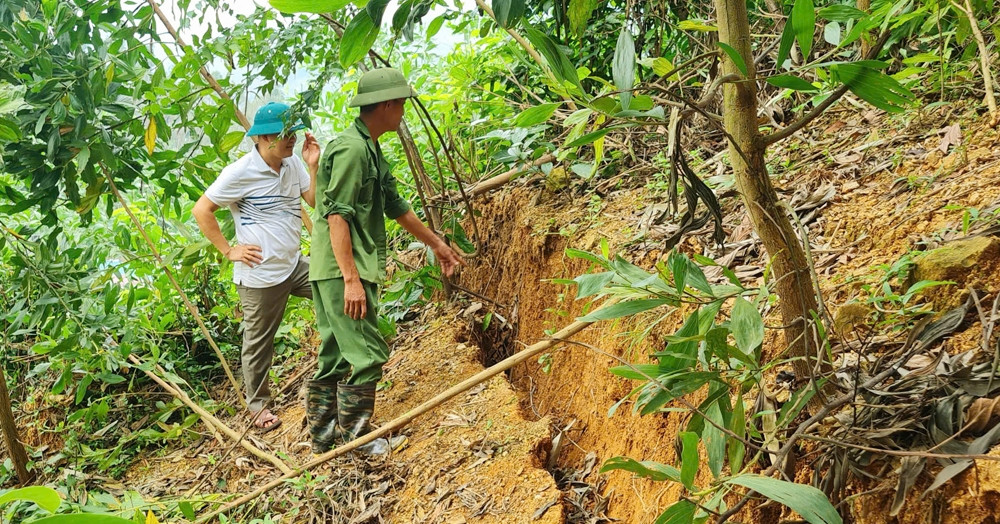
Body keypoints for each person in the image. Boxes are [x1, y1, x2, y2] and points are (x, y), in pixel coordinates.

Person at [308, 68, 465, 455]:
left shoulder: (369, 148)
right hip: (343, 268)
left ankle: (325, 439)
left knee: (334, 353)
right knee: (367, 353)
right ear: (389, 104)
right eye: (403, 104)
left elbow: (396, 206)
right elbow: (337, 217)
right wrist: (350, 278)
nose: (404, 112)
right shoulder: (352, 150)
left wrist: (438, 245)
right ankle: (357, 441)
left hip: (333, 269)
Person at [192, 102, 320, 432]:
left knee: (333, 285)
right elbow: (201, 210)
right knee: (259, 342)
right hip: (260, 276)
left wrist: (313, 165)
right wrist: (228, 250)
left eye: (292, 132)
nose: (290, 139)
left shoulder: (292, 164)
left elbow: (313, 201)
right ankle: (258, 406)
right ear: (262, 138)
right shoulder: (239, 173)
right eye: (283, 134)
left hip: (293, 264)